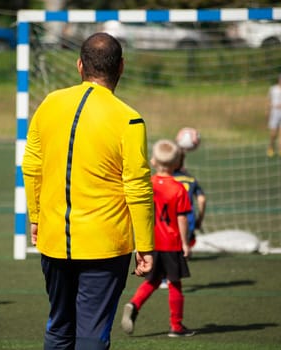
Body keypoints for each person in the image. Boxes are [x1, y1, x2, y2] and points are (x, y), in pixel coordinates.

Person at [22, 32, 154, 350]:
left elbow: (31, 165)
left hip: (54, 240)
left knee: (59, 326)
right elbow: (137, 186)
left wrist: (36, 216)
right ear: (121, 67)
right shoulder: (130, 120)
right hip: (104, 246)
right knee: (92, 334)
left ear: (79, 65)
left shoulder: (50, 103)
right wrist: (145, 245)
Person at [121, 139, 195, 338]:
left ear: (153, 161)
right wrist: (185, 242)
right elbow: (181, 218)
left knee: (152, 281)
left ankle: (133, 304)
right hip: (171, 244)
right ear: (177, 163)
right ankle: (176, 326)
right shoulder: (179, 189)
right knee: (175, 283)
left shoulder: (148, 185)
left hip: (150, 242)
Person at [173, 150, 206, 251]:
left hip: (170, 219)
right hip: (189, 218)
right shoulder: (191, 179)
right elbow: (202, 200)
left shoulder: (168, 178)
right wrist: (199, 220)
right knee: (185, 249)